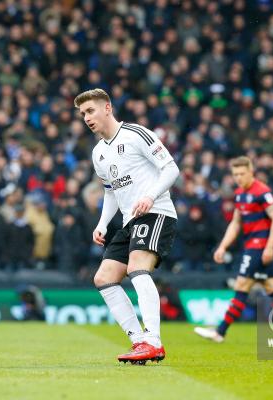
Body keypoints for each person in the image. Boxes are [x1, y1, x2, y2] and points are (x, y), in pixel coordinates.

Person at [75, 88, 179, 364]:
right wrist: (102, 224)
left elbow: (171, 169)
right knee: (104, 278)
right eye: (83, 114)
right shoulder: (98, 153)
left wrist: (150, 195)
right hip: (129, 220)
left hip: (156, 212)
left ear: (107, 107)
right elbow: (111, 191)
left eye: (90, 111)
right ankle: (139, 342)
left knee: (136, 268)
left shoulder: (136, 134)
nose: (86, 118)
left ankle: (154, 341)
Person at [194, 156, 273, 343]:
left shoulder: (262, 192)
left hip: (258, 248)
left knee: (241, 286)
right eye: (235, 174)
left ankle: (220, 332)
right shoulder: (239, 194)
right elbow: (236, 223)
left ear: (251, 171)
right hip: (253, 247)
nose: (238, 177)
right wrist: (222, 246)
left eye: (242, 173)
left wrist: (270, 247)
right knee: (272, 288)